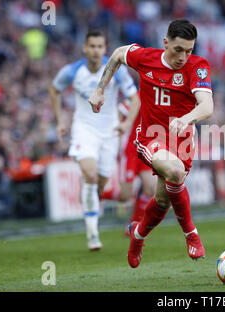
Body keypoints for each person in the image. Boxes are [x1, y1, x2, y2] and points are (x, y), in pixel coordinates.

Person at [88, 19, 214, 268]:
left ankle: (138, 235)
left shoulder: (198, 67)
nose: (183, 57)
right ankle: (191, 234)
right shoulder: (145, 58)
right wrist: (100, 89)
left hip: (182, 143)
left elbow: (207, 106)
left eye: (189, 50)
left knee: (163, 199)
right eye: (178, 49)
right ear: (165, 42)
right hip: (150, 136)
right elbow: (117, 54)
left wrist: (187, 119)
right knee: (175, 172)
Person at [50, 30, 139, 251]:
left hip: (109, 133)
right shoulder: (73, 71)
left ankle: (90, 197)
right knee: (89, 174)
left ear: (104, 49)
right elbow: (54, 90)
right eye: (92, 46)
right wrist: (60, 120)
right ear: (85, 48)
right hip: (84, 130)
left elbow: (135, 98)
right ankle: (92, 234)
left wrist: (126, 124)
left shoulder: (116, 71)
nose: (96, 50)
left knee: (99, 185)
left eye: (100, 46)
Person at [117, 98, 156, 235]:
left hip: (144, 148)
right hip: (130, 149)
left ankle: (133, 226)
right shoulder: (139, 95)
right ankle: (99, 194)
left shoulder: (160, 96)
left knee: (151, 187)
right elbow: (120, 112)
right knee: (125, 195)